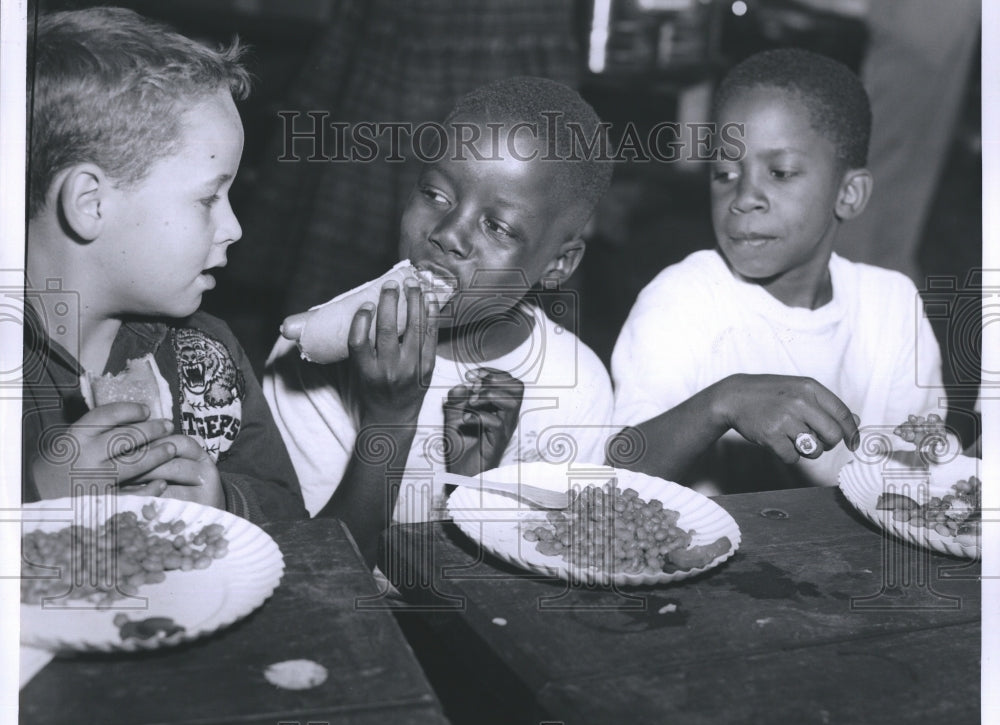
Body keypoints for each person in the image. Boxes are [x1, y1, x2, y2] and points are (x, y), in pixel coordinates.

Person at [264, 76, 615, 564]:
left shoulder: (575, 386)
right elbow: (312, 573)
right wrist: (389, 419)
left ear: (557, 264)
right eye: (435, 194)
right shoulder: (309, 361)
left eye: (498, 226)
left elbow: (533, 588)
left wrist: (470, 487)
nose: (449, 234)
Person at [609, 48, 944, 495]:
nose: (745, 196)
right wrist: (720, 403)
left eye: (780, 172)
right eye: (724, 172)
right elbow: (619, 469)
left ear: (849, 194)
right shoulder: (682, 299)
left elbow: (919, 471)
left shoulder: (892, 305)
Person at [23, 7, 307, 523]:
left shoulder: (209, 354)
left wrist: (223, 503)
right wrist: (34, 498)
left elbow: (288, 511)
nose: (234, 228)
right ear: (91, 203)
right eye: (208, 199)